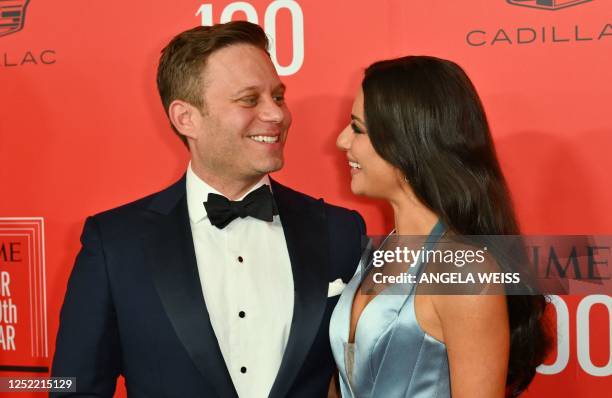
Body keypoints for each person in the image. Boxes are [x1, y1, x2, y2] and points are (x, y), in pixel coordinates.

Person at [51, 21, 365, 398]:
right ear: (186, 118)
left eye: (278, 97)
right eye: (250, 99)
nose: (277, 114)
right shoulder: (116, 244)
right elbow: (72, 388)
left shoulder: (340, 230)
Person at [330, 56, 549, 397]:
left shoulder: (466, 273)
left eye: (358, 128)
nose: (342, 140)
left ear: (405, 144)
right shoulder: (375, 251)